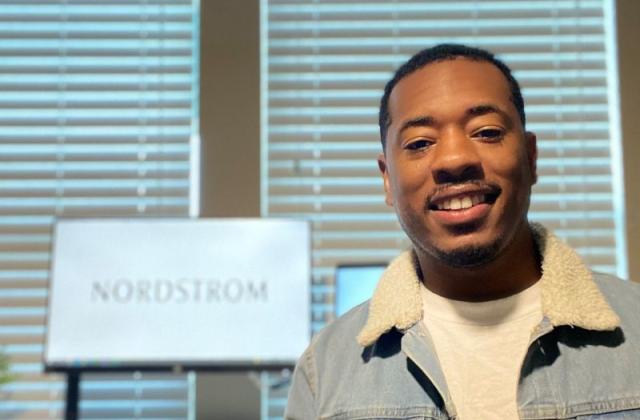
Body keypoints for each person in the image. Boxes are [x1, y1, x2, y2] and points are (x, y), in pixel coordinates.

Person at [284, 44, 640, 419]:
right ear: (387, 179)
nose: (455, 159)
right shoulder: (325, 372)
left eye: (486, 132)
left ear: (531, 157)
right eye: (420, 143)